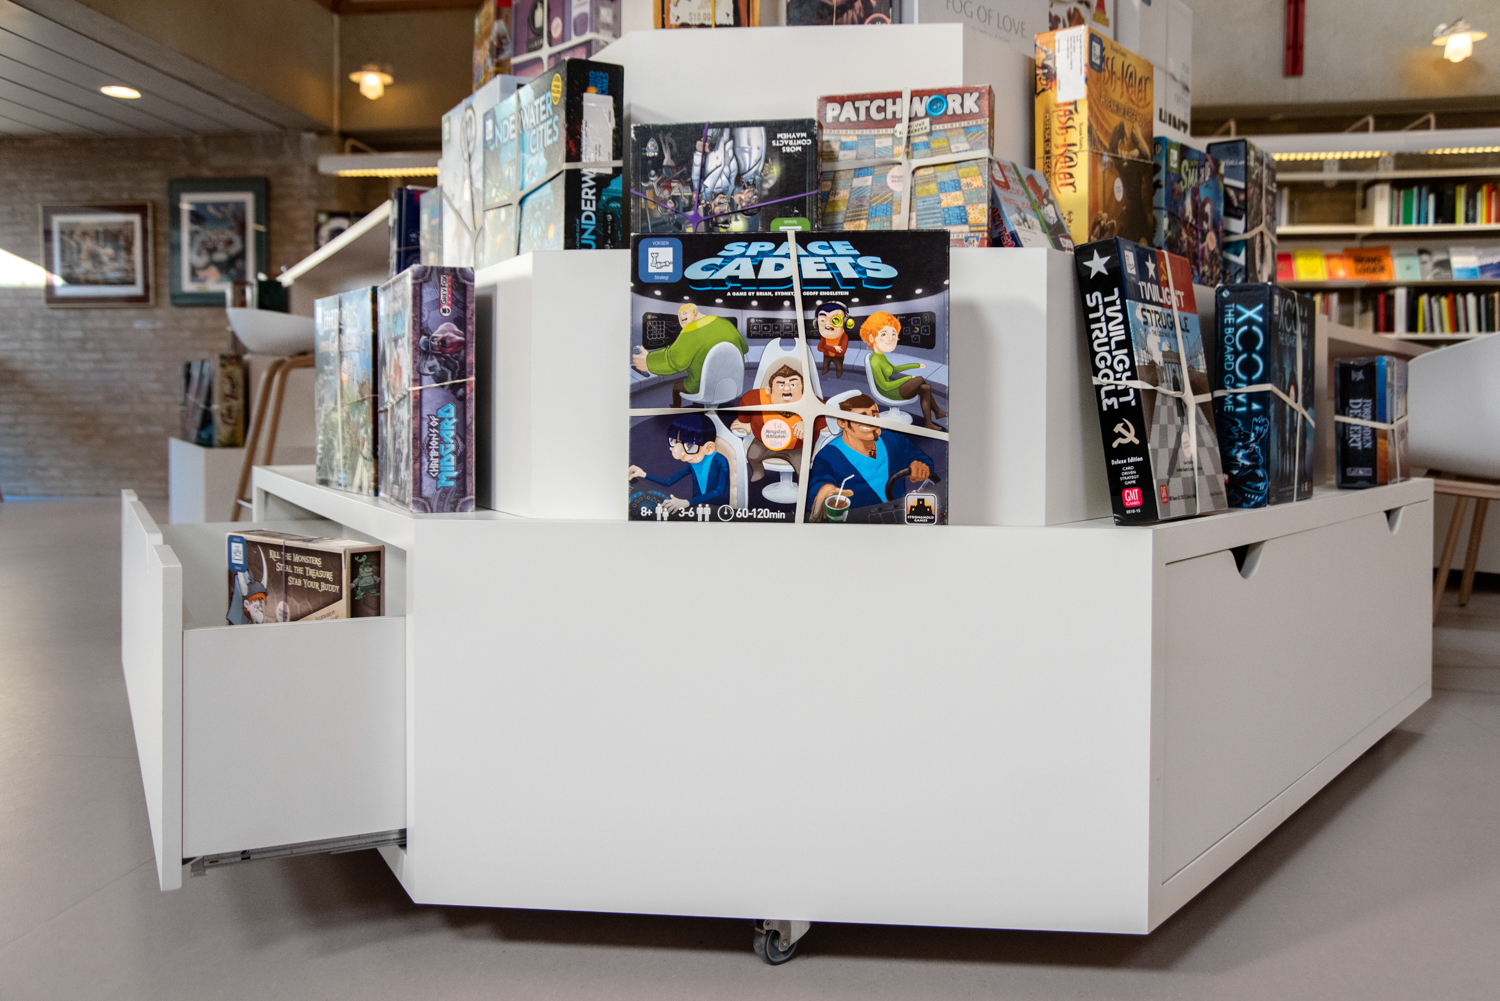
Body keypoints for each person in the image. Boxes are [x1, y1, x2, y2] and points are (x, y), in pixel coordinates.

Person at [807, 395, 935, 521]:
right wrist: (824, 490)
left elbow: (919, 458)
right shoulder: (827, 457)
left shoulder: (892, 439)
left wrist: (919, 464)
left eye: (874, 415)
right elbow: (817, 487)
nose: (871, 421)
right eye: (862, 416)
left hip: (899, 517)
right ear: (842, 422)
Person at [632, 302, 748, 408]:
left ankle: (675, 407)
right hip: (732, 386)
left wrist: (648, 361)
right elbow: (745, 348)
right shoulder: (726, 324)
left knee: (677, 387)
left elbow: (673, 361)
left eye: (684, 313)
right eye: (679, 316)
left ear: (695, 311)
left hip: (702, 388)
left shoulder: (690, 331)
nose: (681, 317)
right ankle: (699, 404)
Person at [729, 360, 822, 482]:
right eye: (781, 385)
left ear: (803, 390)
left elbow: (824, 414)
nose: (787, 388)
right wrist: (745, 422)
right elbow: (746, 401)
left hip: (798, 447)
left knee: (803, 470)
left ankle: (803, 488)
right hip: (764, 443)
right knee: (752, 455)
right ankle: (758, 471)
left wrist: (807, 423)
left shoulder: (811, 402)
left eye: (793, 384)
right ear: (769, 390)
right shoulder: (758, 398)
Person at [628, 412, 731, 514]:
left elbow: (718, 491)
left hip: (719, 511)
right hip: (697, 510)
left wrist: (687, 502)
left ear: (708, 448)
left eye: (690, 445)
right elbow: (668, 482)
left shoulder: (720, 461)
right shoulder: (693, 462)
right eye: (673, 441)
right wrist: (643, 474)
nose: (678, 454)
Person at [860, 311, 947, 429]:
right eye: (884, 334)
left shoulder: (880, 356)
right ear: (872, 337)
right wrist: (909, 378)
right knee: (920, 380)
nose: (891, 338)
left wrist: (916, 365)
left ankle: (929, 423)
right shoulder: (875, 361)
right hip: (888, 392)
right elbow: (885, 386)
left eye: (893, 334)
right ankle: (937, 412)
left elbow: (895, 369)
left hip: (892, 389)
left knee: (925, 388)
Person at [815, 301, 851, 378]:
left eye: (835, 320)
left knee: (839, 369)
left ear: (845, 323)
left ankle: (839, 381)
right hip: (826, 356)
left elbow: (842, 351)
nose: (828, 324)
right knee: (825, 368)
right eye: (822, 320)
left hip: (838, 357)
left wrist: (825, 346)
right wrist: (834, 348)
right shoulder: (824, 336)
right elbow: (819, 348)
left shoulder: (844, 336)